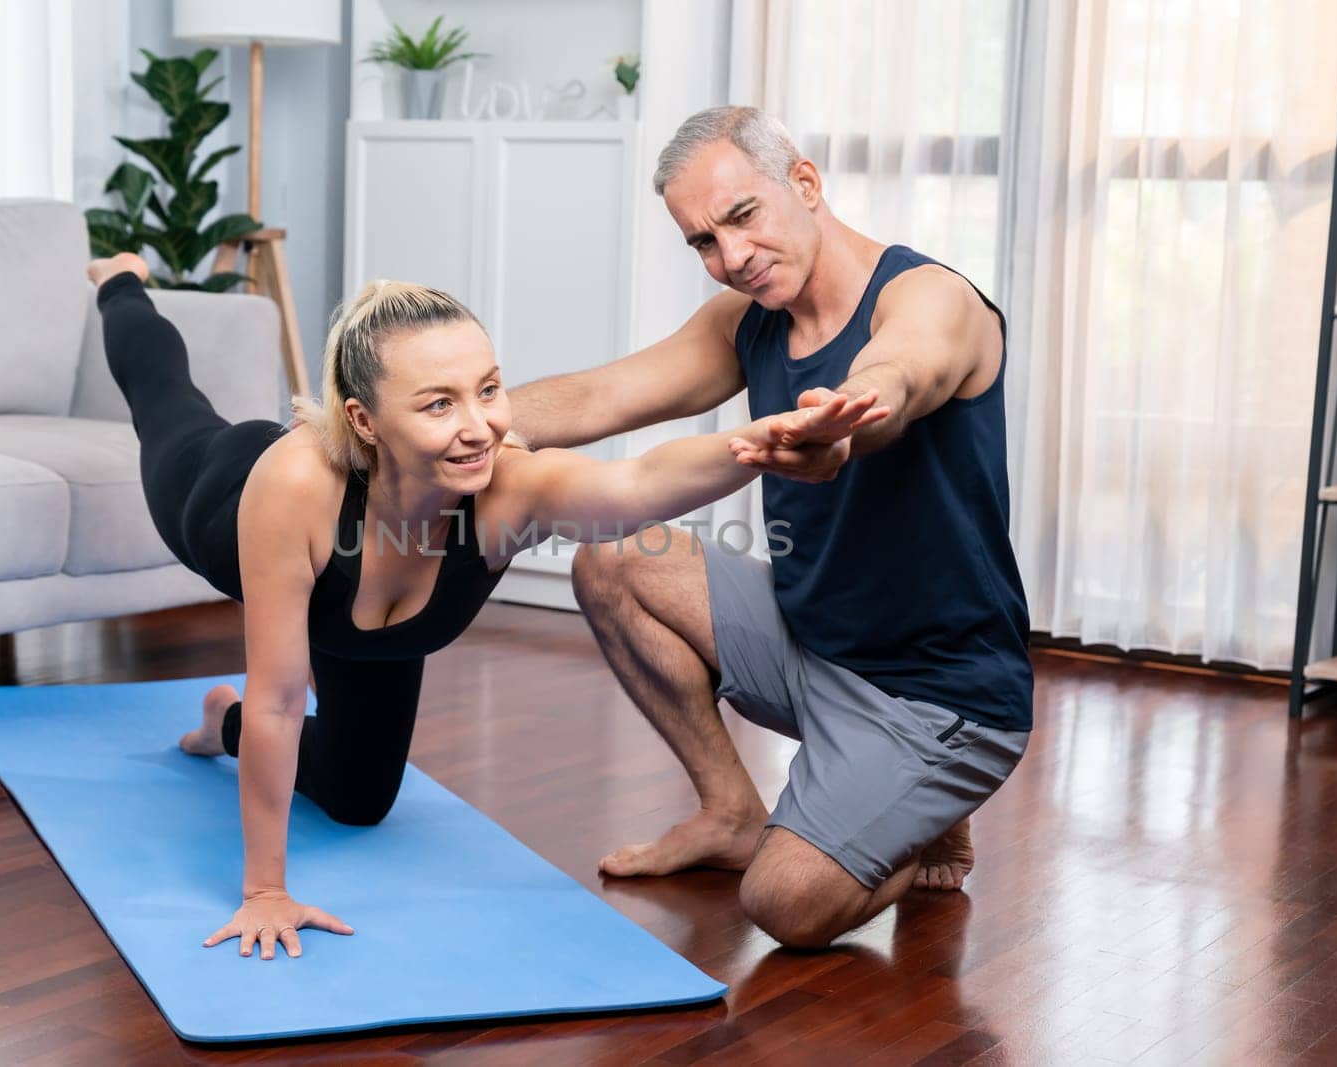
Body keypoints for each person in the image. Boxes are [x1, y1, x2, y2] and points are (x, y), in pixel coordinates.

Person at [85, 251, 887, 963]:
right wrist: (264, 890)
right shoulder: (297, 485)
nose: (479, 427)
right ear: (364, 420)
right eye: (438, 404)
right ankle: (120, 281)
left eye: (490, 389)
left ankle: (210, 723)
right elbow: (281, 697)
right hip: (224, 503)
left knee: (362, 802)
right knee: (166, 402)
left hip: (369, 634)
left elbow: (637, 483)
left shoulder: (507, 486)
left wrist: (763, 440)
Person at [507, 105, 1034, 950]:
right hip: (812, 645)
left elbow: (905, 369)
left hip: (937, 696)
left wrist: (846, 420)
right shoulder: (750, 322)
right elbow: (602, 395)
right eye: (704, 242)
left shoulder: (933, 297)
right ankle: (728, 809)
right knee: (610, 561)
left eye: (743, 217)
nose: (732, 257)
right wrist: (457, 423)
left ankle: (921, 815)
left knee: (783, 903)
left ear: (805, 181)